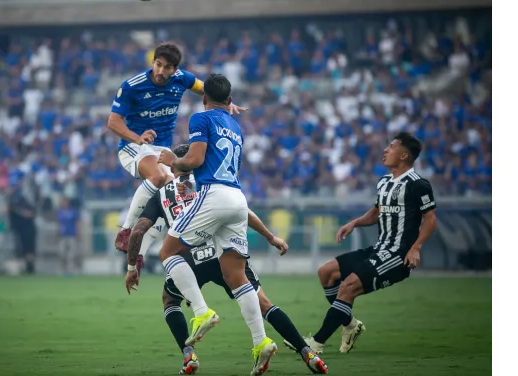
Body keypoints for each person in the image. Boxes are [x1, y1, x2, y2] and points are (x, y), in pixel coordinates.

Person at [124, 143, 328, 375]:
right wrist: (271, 237)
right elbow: (243, 212)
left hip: (188, 259)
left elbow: (138, 231)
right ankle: (306, 353)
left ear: (173, 166)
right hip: (223, 253)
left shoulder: (162, 195)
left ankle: (188, 355)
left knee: (170, 301)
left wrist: (132, 267)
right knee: (263, 303)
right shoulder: (210, 184)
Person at [155, 73, 276, 376]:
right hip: (238, 198)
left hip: (214, 194)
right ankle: (261, 342)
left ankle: (201, 311)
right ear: (231, 101)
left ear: (204, 98)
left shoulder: (201, 118)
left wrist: (174, 162)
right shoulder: (235, 126)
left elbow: (194, 159)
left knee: (168, 253)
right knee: (236, 275)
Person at [108, 43, 246, 261]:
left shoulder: (183, 78)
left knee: (170, 195)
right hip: (133, 146)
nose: (162, 71)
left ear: (175, 69)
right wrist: (138, 138)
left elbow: (207, 91)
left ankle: (141, 251)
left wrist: (227, 104)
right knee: (159, 176)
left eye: (168, 67)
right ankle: (125, 230)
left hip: (160, 148)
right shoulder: (132, 86)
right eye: (158, 65)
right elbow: (113, 122)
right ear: (153, 62)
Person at [305, 132, 438, 354]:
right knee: (326, 272)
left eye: (392, 147)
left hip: (397, 255)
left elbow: (431, 219)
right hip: (378, 248)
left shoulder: (418, 184)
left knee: (347, 287)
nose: (386, 149)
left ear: (404, 155)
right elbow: (377, 212)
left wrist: (416, 247)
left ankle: (316, 343)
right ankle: (350, 325)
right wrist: (355, 223)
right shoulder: (384, 182)